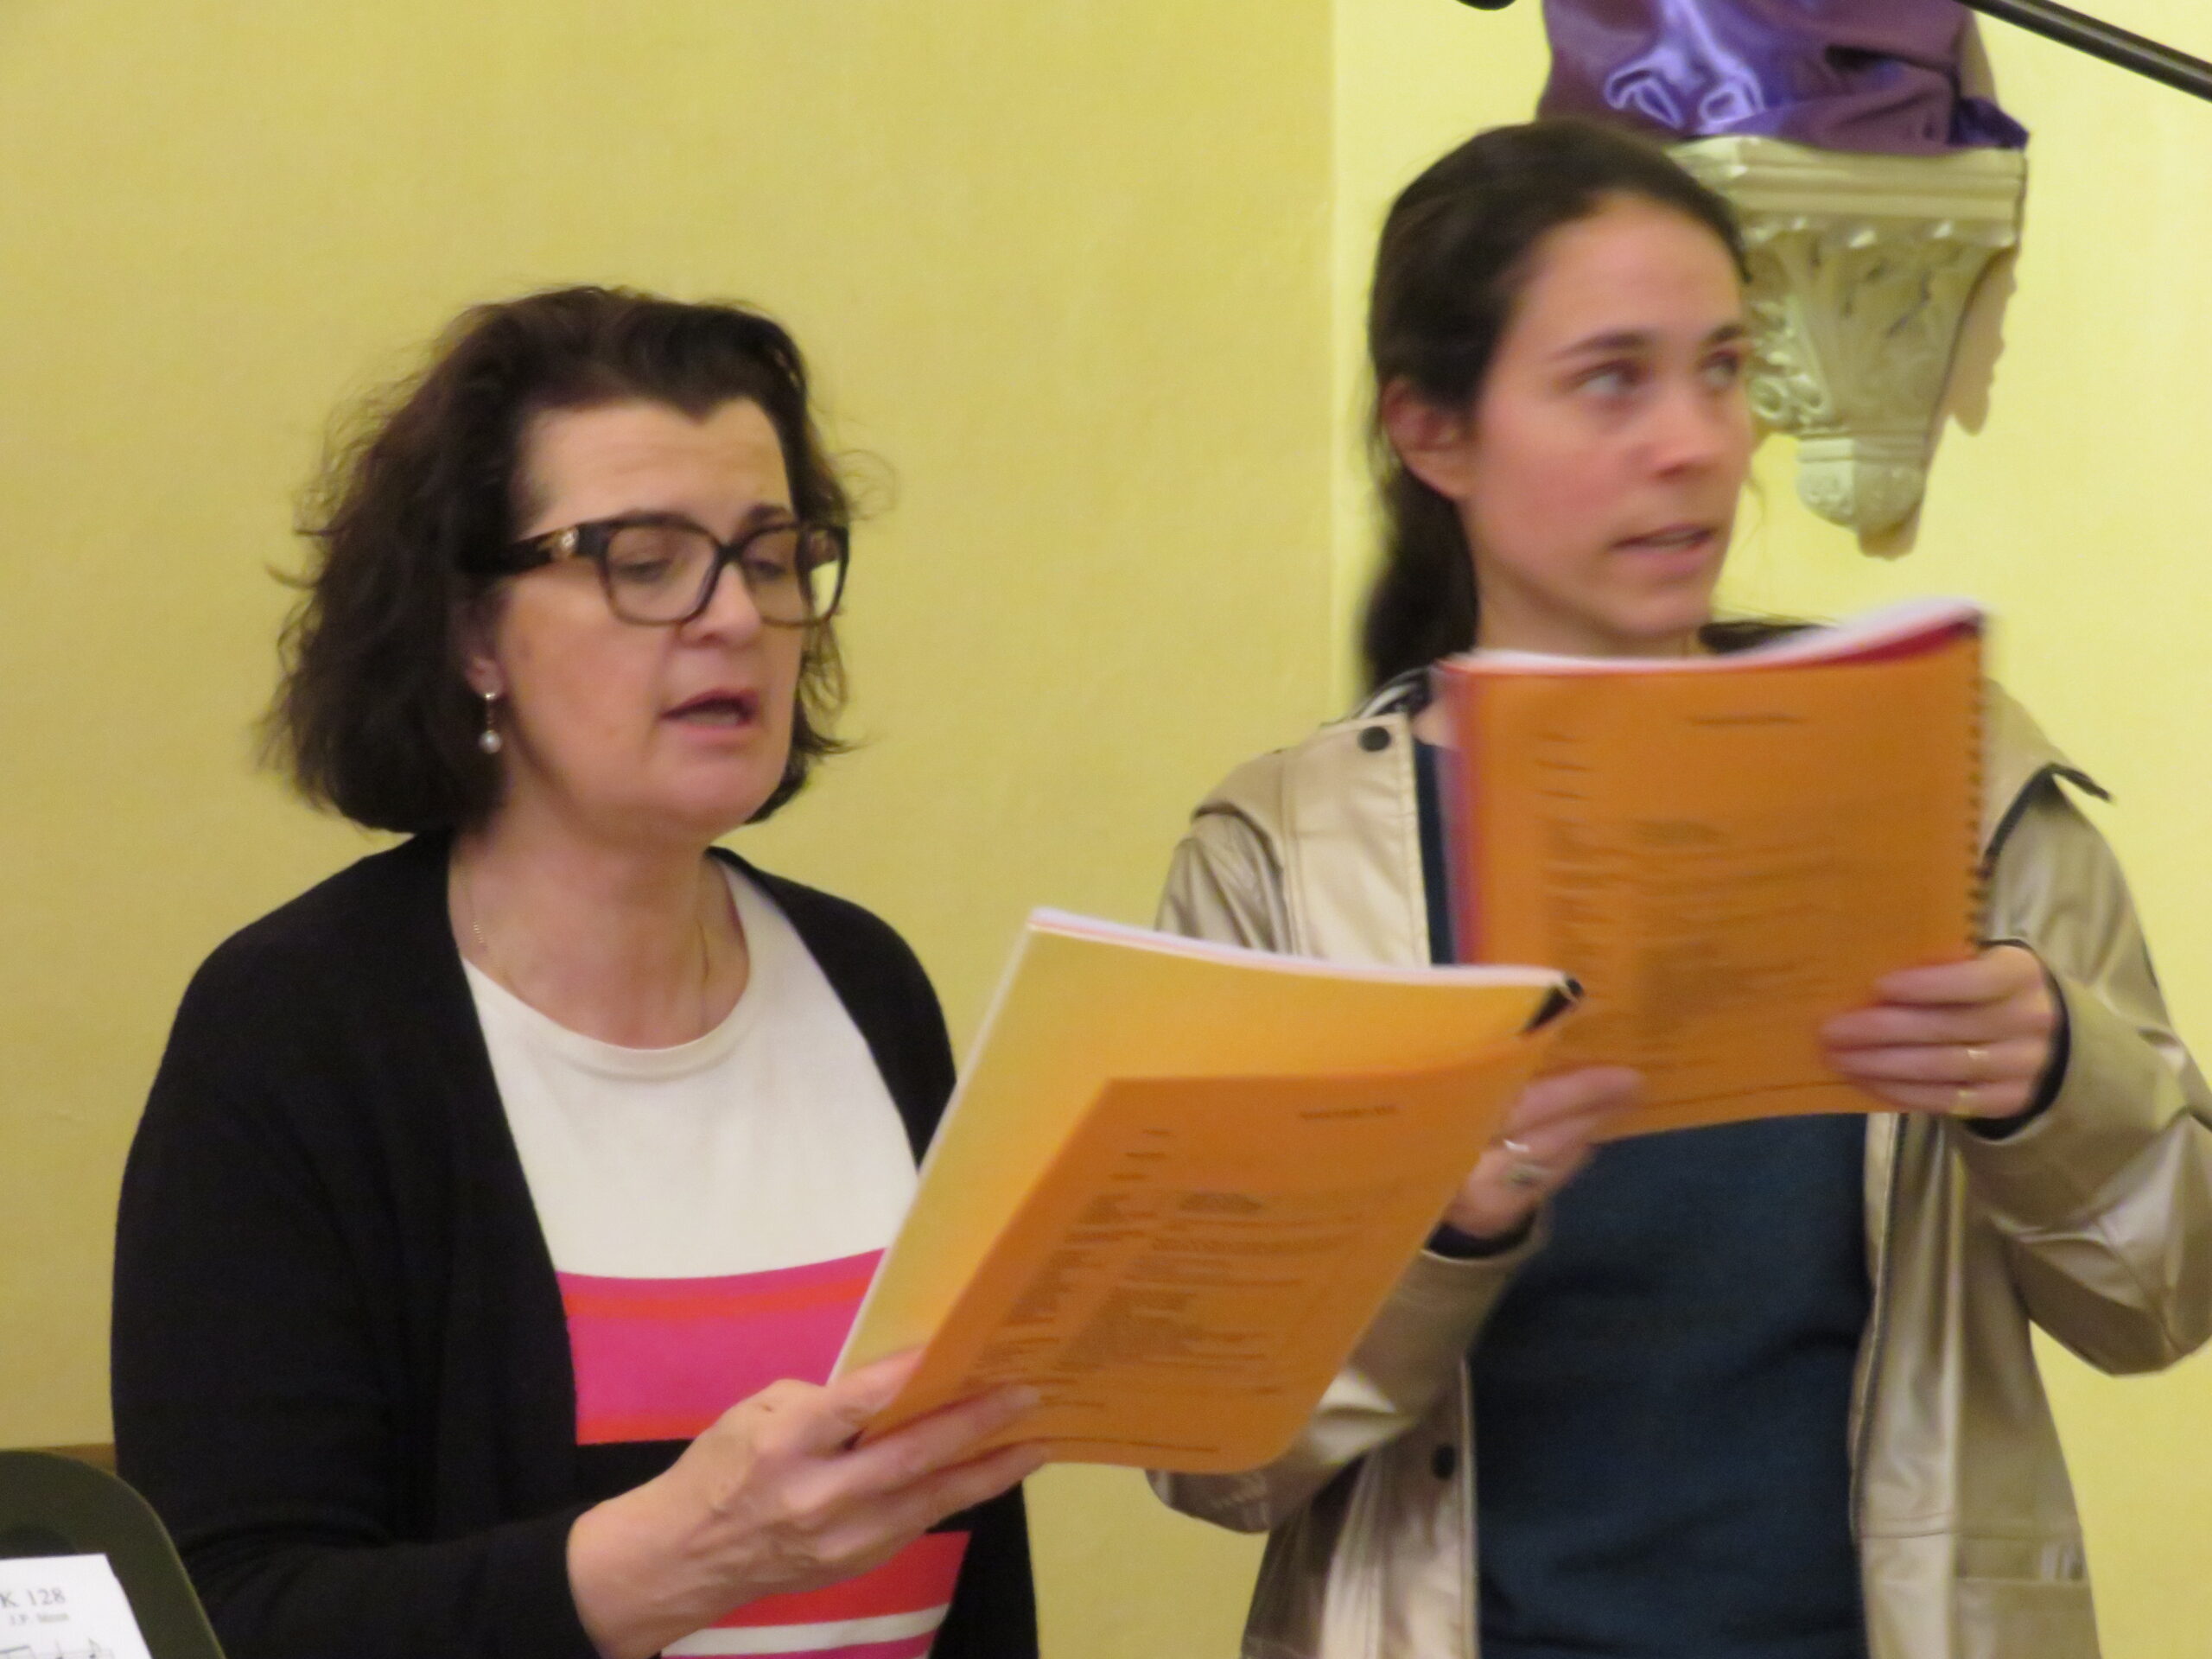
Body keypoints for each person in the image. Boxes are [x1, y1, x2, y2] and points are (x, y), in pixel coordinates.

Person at [1152, 120, 2212, 1659]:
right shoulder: (1286, 858)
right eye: (1611, 380)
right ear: (1434, 431)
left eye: (1722, 370)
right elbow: (1211, 1456)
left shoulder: (1957, 783)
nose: (1696, 442)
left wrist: (2056, 1080)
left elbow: (2163, 1300)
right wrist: (1441, 1228)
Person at [112, 288, 1041, 1659]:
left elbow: (974, 1541)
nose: (735, 617)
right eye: (644, 562)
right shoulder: (297, 1030)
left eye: (772, 556)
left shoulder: (866, 982)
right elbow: (231, 1614)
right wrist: (663, 1566)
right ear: (473, 633)